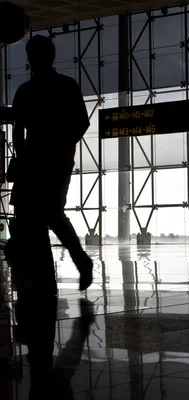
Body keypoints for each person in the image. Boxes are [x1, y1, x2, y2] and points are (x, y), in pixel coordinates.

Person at [10, 35, 93, 292]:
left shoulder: (25, 91)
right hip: (58, 161)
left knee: (37, 217)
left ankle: (46, 276)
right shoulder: (67, 85)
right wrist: (62, 145)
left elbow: (18, 127)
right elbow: (82, 123)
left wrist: (22, 155)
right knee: (52, 214)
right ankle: (76, 262)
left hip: (35, 161)